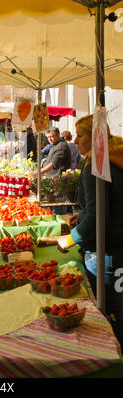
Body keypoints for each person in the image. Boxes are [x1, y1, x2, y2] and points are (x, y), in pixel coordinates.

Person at [57, 114, 123, 349]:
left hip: (105, 253)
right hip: (118, 248)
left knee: (110, 314)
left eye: (80, 135)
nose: (75, 141)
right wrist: (83, 214)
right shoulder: (114, 159)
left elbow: (97, 217)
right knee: (119, 307)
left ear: (95, 137)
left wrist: (70, 239)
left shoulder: (96, 166)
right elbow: (106, 206)